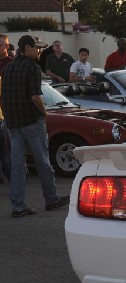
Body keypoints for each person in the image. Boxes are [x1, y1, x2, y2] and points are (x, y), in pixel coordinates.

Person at [1, 35, 69, 217]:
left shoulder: (8, 68)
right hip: (32, 123)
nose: (39, 51)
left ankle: (18, 206)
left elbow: (4, 98)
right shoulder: (32, 67)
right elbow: (35, 97)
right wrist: (45, 114)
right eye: (36, 48)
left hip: (13, 125)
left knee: (17, 167)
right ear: (26, 48)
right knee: (43, 163)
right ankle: (52, 199)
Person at [0, 33, 13, 183]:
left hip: (6, 113)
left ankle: (12, 179)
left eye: (1, 44)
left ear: (7, 46)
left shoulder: (11, 63)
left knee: (6, 150)